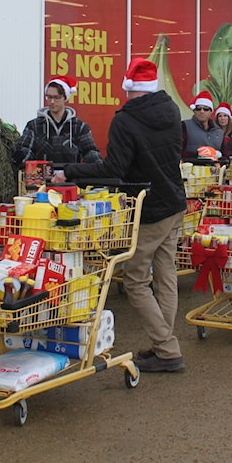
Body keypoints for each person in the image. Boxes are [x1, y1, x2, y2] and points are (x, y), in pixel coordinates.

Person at [52, 58, 187, 371]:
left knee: (136, 281)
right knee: (166, 275)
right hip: (175, 201)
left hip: (149, 207)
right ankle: (163, 344)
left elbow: (114, 169)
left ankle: (167, 349)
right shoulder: (172, 112)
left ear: (128, 87)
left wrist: (70, 172)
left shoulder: (125, 120)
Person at [11, 75, 102, 168]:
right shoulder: (34, 126)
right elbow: (26, 150)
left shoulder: (79, 127)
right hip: (41, 180)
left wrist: (101, 167)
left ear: (65, 98)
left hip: (70, 180)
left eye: (56, 97)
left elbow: (90, 152)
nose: (52, 101)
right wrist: (21, 156)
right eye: (49, 97)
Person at [181, 90, 223, 159]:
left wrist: (217, 154)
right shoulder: (184, 126)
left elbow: (225, 156)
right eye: (198, 109)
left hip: (213, 168)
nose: (202, 111)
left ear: (210, 112)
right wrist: (199, 154)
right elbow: (178, 151)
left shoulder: (219, 131)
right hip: (191, 168)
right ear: (194, 111)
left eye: (206, 109)